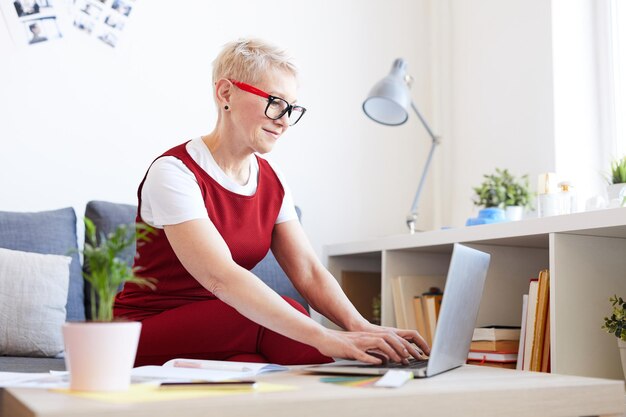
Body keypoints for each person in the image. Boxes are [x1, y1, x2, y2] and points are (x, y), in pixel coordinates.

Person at [114, 38, 430, 367]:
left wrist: (361, 327)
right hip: (149, 328)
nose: (284, 120)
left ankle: (380, 378)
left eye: (292, 109)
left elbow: (308, 271)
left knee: (256, 355)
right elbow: (220, 277)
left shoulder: (272, 181)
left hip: (227, 325)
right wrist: (327, 337)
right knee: (274, 319)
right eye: (275, 102)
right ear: (225, 94)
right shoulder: (174, 172)